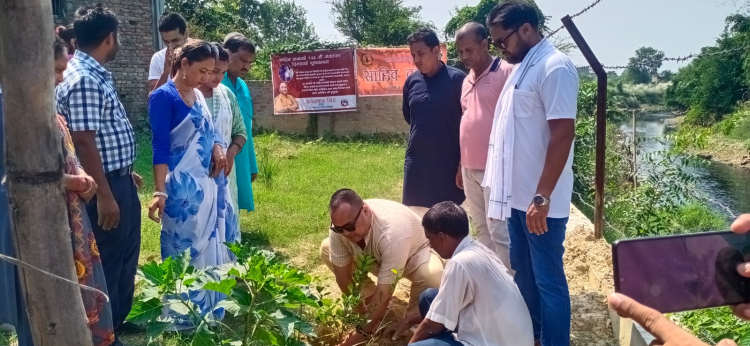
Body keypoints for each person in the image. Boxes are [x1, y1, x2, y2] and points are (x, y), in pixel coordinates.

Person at [484, 2, 579, 345]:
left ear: (526, 29)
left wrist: (541, 197)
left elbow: (562, 135)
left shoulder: (554, 67)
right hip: (517, 200)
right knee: (524, 274)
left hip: (541, 205)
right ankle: (533, 336)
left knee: (548, 281)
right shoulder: (524, 67)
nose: (499, 49)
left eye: (501, 41)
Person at [55, 5, 142, 342]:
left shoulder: (94, 73)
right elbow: (83, 140)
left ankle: (117, 320)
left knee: (124, 256)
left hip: (117, 179)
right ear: (110, 37)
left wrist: (124, 172)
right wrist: (106, 194)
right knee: (105, 260)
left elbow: (102, 136)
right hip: (101, 188)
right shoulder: (84, 79)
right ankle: (103, 332)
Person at [147, 39, 238, 327]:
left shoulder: (198, 96)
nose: (206, 78)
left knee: (210, 245)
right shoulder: (163, 97)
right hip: (181, 192)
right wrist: (159, 191)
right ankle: (182, 317)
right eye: (202, 70)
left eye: (211, 71)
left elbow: (211, 133)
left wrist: (218, 149)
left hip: (209, 186)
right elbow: (160, 146)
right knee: (183, 250)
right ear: (183, 64)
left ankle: (210, 310)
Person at [319, 189, 444, 346]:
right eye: (339, 228)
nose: (344, 233)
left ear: (365, 211)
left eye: (349, 226)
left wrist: (362, 333)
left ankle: (412, 327)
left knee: (431, 275)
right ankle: (369, 301)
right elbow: (342, 276)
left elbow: (386, 290)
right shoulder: (340, 229)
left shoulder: (392, 232)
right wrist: (360, 311)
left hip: (414, 255)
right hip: (375, 258)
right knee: (326, 247)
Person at [54, 36, 116, 346]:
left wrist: (78, 173)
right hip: (42, 218)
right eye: (55, 70)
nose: (61, 78)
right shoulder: (11, 114)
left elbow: (69, 154)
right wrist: (74, 181)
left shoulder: (53, 116)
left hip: (71, 212)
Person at [407, 202, 533, 346]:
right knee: (429, 297)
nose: (430, 245)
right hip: (509, 336)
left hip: (493, 341)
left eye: (430, 239)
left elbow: (432, 324)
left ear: (441, 237)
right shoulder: (478, 249)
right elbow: (440, 310)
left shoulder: (460, 264)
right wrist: (411, 319)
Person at [455, 22, 514, 269]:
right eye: (460, 52)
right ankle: (492, 279)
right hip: (469, 168)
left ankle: (510, 284)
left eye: (469, 50)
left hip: (496, 169)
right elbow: (467, 120)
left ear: (484, 44)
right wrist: (461, 164)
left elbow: (514, 121)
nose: (464, 57)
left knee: (500, 231)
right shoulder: (466, 80)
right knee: (480, 229)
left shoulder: (506, 72)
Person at [402, 28, 466, 217]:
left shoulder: (457, 79)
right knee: (415, 216)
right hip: (417, 160)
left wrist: (462, 163)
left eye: (421, 53)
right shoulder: (411, 82)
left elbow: (467, 122)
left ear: (436, 50)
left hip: (448, 161)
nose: (416, 60)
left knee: (449, 217)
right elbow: (409, 116)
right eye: (413, 55)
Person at [198, 43, 248, 216]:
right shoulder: (187, 95)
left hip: (224, 172)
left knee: (224, 223)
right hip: (194, 173)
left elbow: (241, 131)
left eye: (223, 72)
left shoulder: (227, 94)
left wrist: (231, 153)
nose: (218, 77)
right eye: (214, 71)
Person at [222, 33, 258, 212]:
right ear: (227, 53)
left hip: (241, 150)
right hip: (221, 151)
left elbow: (247, 127)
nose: (247, 66)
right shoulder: (213, 83)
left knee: (236, 195)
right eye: (243, 60)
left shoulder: (243, 86)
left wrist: (252, 163)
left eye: (250, 62)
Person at [148, 12, 189, 93]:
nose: (171, 46)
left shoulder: (200, 54)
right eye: (166, 42)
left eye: (175, 40)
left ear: (186, 34)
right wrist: (166, 72)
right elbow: (153, 95)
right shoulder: (158, 58)